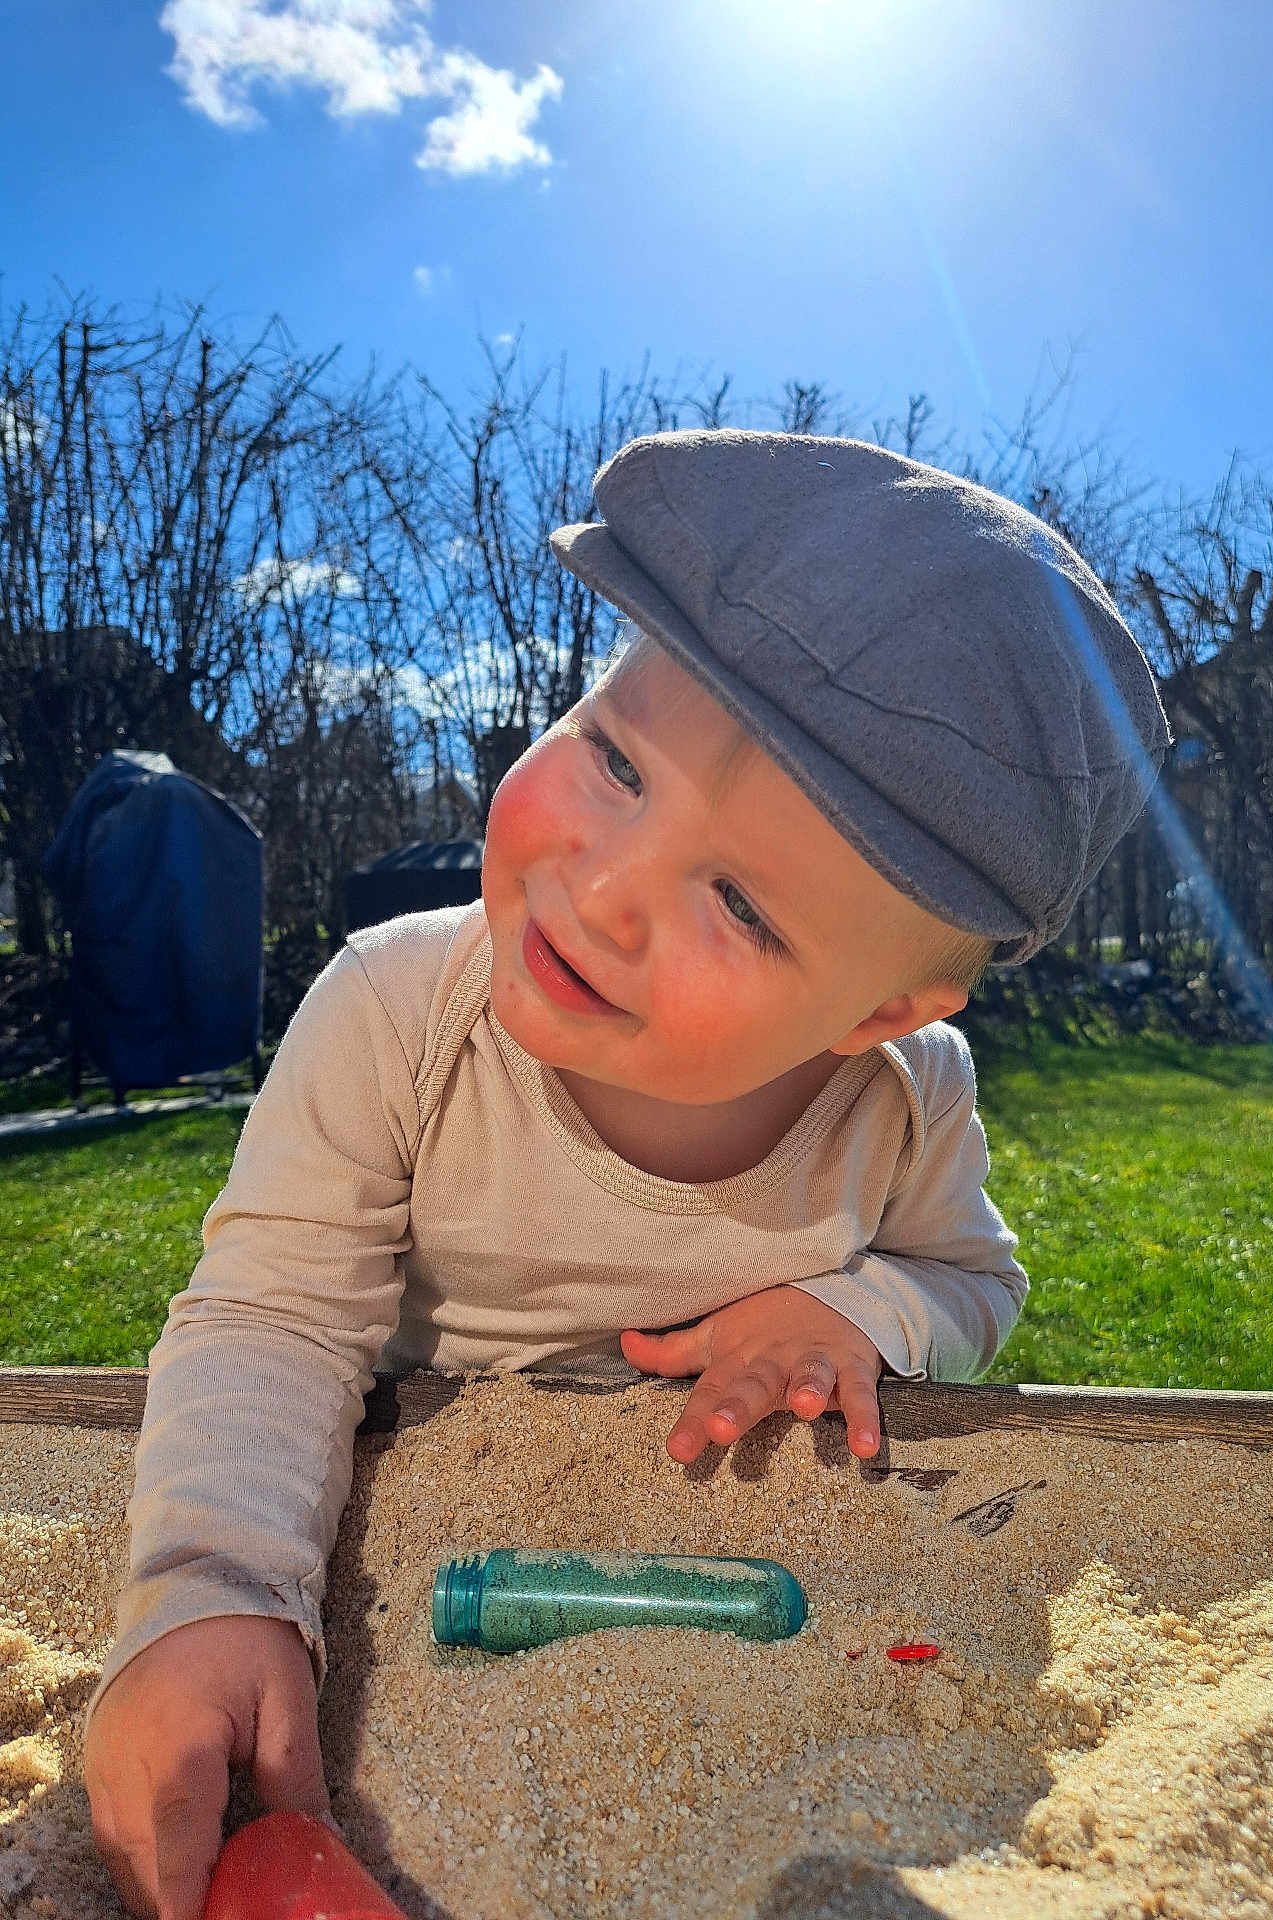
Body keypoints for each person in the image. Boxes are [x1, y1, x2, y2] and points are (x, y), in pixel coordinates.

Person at [83, 429, 1170, 1917]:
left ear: (878, 1012)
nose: (600, 892)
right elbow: (273, 1315)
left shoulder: (903, 1103)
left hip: (736, 1607)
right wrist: (212, 1591)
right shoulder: (398, 1011)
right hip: (406, 1545)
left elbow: (973, 1285)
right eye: (615, 759)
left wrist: (858, 1312)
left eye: (742, 904)